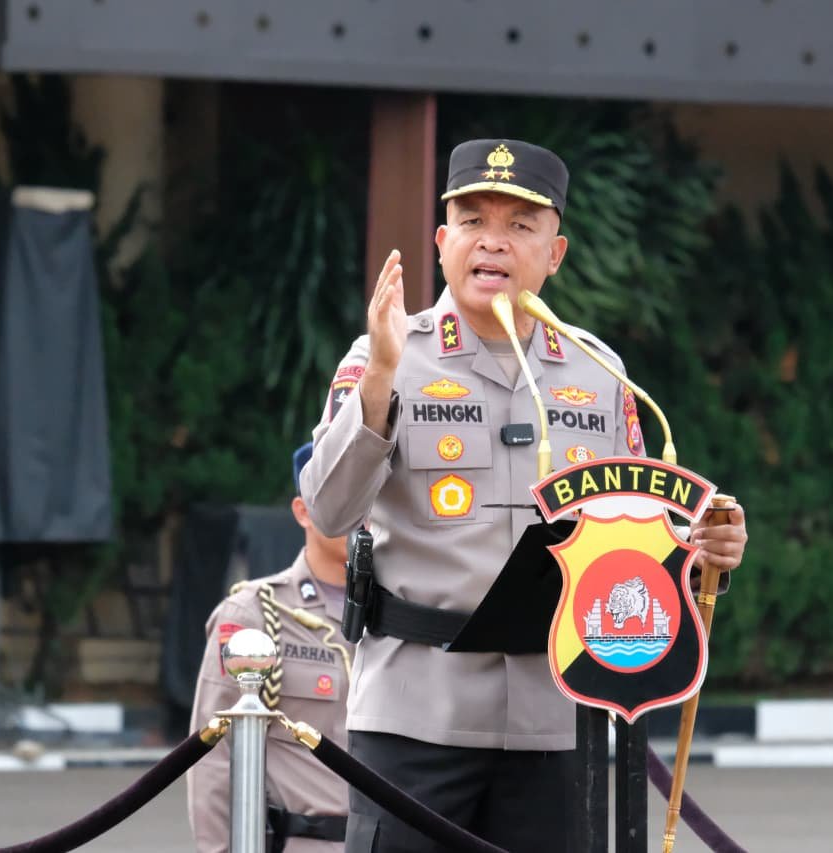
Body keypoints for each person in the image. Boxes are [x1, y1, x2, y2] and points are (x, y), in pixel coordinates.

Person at [301, 138, 749, 853]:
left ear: (555, 253)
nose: (493, 242)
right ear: (442, 243)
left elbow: (640, 538)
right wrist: (382, 377)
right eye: (473, 221)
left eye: (519, 225)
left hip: (558, 715)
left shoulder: (600, 373)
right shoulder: (386, 354)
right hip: (416, 715)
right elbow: (329, 510)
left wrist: (703, 548)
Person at [188, 442, 355, 853]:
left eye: (366, 499)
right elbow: (213, 754)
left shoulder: (403, 614)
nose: (356, 515)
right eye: (339, 500)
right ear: (302, 511)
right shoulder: (256, 614)